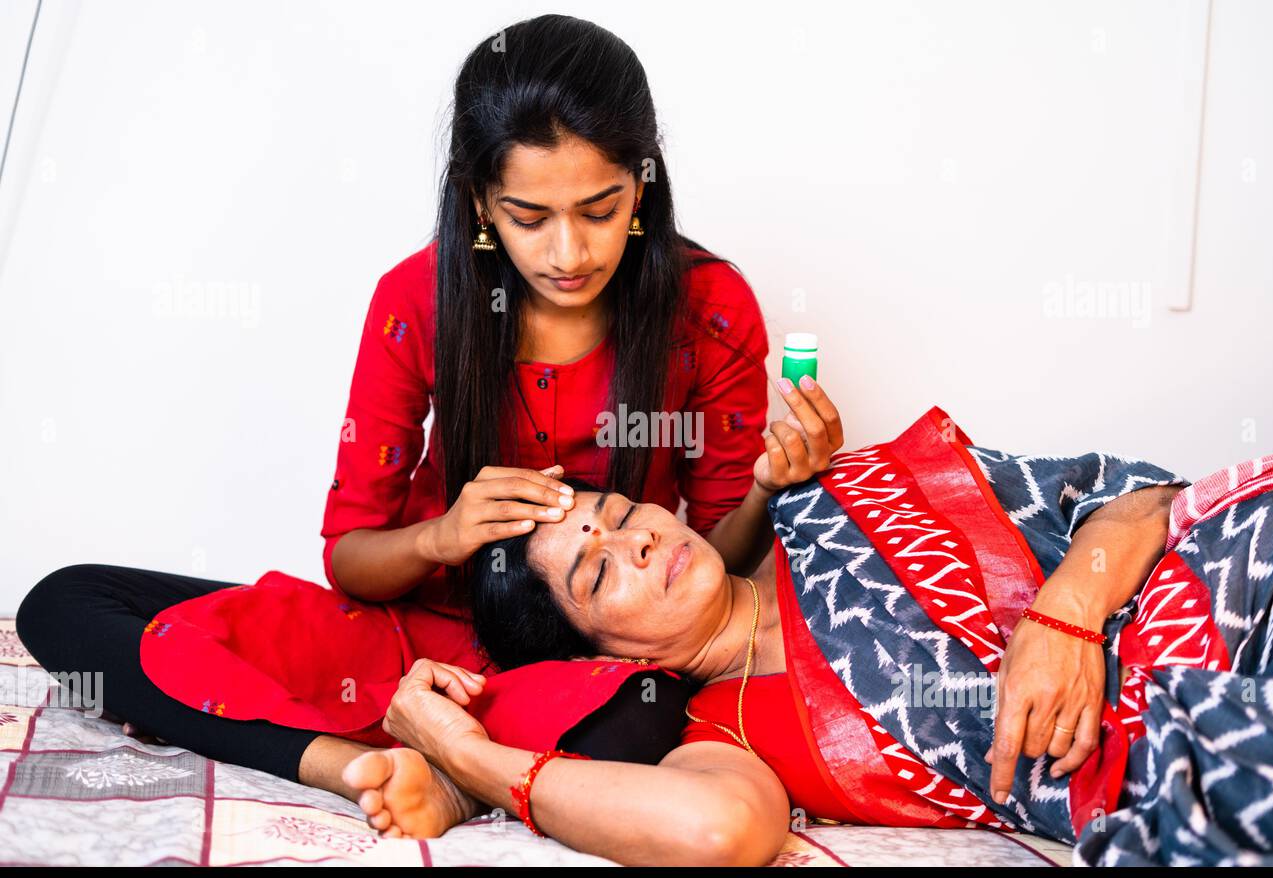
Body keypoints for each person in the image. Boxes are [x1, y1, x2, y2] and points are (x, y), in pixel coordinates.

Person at [15, 14, 788, 800]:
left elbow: (717, 566)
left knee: (643, 723)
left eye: (600, 209)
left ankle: (447, 751)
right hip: (416, 636)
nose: (569, 253)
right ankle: (353, 765)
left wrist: (768, 485)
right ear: (481, 202)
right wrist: (443, 537)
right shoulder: (416, 303)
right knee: (66, 605)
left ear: (642, 183)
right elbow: (349, 559)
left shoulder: (709, 309)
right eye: (528, 218)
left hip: (602, 657)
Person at [343, 384, 1273, 867]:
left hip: (1253, 569)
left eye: (625, 516)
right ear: (600, 653)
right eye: (599, 571)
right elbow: (719, 830)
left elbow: (1142, 505)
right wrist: (470, 761)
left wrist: (1065, 614)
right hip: (1179, 741)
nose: (638, 542)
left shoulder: (845, 498)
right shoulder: (725, 729)